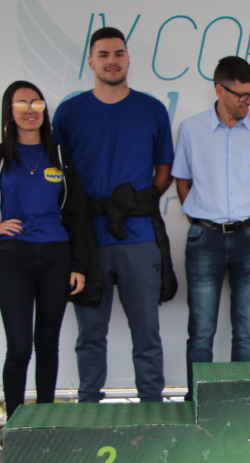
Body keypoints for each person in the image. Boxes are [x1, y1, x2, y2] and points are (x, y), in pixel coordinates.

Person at [0, 81, 98, 420]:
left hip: (56, 256)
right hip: (13, 257)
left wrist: (79, 264)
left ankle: (44, 421)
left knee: (47, 346)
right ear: (9, 112)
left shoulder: (60, 156)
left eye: (36, 103)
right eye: (21, 104)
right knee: (18, 348)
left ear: (45, 110)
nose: (30, 110)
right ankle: (14, 425)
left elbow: (76, 213)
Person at [53, 27, 176, 403]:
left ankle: (152, 404)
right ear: (90, 61)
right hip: (86, 240)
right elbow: (57, 172)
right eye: (103, 54)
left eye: (118, 54)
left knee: (147, 332)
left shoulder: (151, 109)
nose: (111, 61)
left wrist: (139, 202)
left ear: (127, 59)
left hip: (138, 237)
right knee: (90, 333)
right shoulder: (69, 112)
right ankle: (89, 404)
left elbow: (164, 169)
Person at [172, 57, 250, 401]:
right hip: (204, 238)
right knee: (201, 332)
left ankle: (240, 406)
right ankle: (198, 406)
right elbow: (183, 181)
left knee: (246, 331)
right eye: (241, 96)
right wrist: (206, 217)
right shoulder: (191, 129)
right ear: (219, 90)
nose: (248, 102)